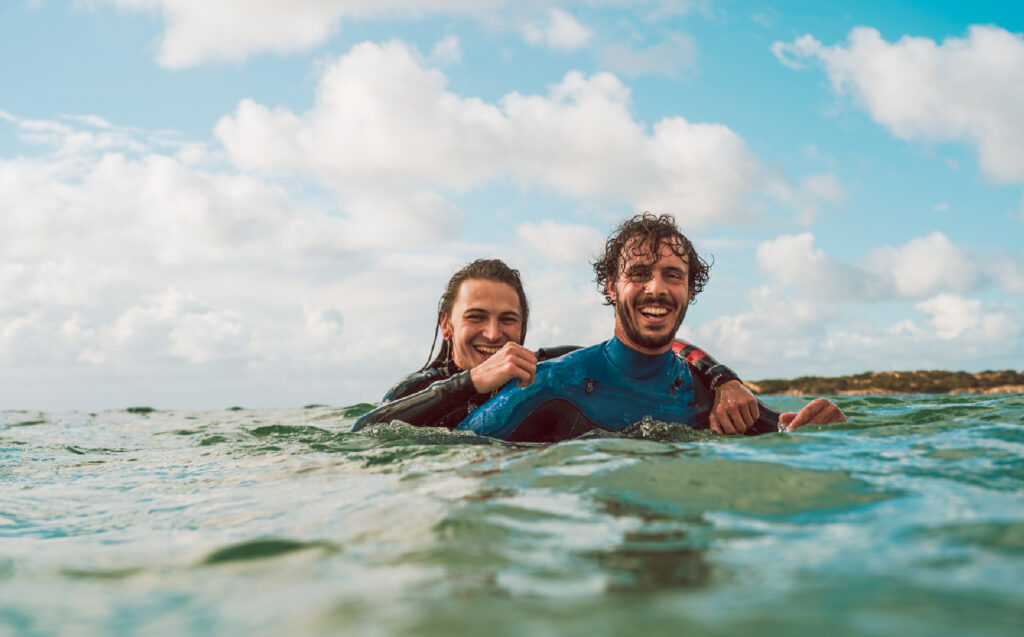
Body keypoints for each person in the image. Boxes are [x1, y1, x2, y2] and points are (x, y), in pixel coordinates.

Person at [456, 213, 847, 442]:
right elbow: (450, 453)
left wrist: (827, 429)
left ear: (689, 289)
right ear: (611, 286)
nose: (656, 289)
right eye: (639, 273)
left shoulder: (710, 395)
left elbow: (788, 433)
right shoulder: (550, 383)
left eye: (672, 275)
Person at [352, 258, 761, 434]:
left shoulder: (541, 366)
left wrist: (724, 378)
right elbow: (366, 431)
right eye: (476, 317)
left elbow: (642, 349)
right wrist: (472, 382)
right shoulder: (418, 390)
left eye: (508, 320)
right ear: (447, 325)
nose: (493, 334)